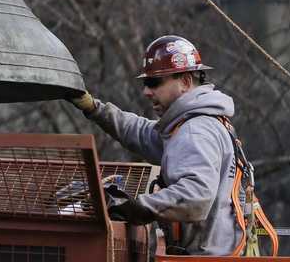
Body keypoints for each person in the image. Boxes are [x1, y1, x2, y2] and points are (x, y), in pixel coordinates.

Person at [68, 35, 270, 256]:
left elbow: (196, 196)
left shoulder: (195, 131)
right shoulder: (196, 126)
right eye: (146, 83)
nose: (146, 91)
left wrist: (138, 206)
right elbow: (142, 133)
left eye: (155, 83)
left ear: (184, 81)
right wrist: (93, 107)